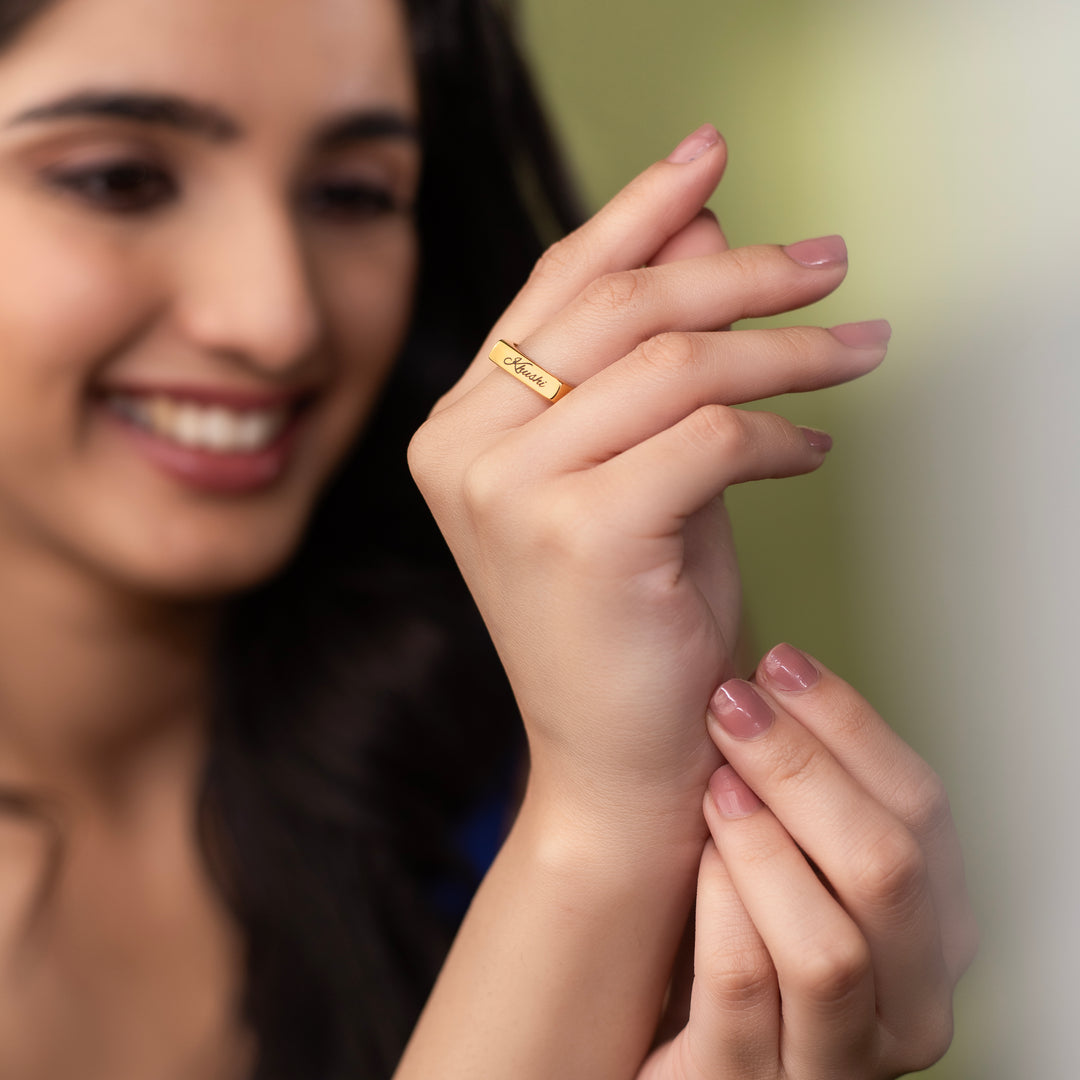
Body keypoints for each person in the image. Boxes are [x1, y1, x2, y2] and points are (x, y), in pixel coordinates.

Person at [0, 0, 975, 1078]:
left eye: (354, 194)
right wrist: (595, 846)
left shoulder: (481, 741)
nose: (277, 318)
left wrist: (641, 822)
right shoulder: (574, 790)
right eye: (115, 180)